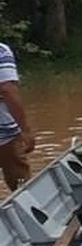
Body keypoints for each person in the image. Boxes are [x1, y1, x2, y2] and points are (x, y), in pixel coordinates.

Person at [0, 42, 35, 191]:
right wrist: (26, 130)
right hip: (4, 136)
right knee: (20, 181)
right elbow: (7, 89)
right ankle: (26, 207)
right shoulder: (1, 51)